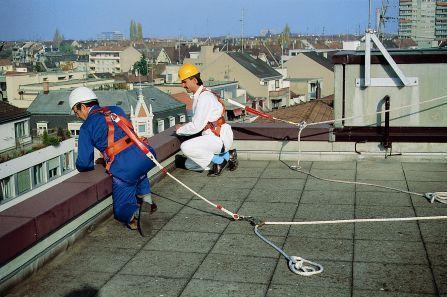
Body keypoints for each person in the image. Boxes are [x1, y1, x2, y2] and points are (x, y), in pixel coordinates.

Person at [69, 86, 157, 236]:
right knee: (140, 173)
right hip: (145, 154)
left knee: (120, 210)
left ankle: (135, 214)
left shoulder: (86, 127)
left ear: (83, 106)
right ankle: (147, 199)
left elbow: (84, 163)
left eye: (76, 112)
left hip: (125, 167)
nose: (77, 116)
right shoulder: (116, 109)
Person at [175, 64, 238, 176]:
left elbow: (196, 126)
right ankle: (228, 155)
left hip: (217, 138)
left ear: (194, 80)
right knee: (190, 164)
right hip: (219, 137)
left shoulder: (204, 97)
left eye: (184, 82)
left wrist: (180, 129)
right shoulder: (204, 93)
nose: (182, 85)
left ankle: (220, 161)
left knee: (185, 147)